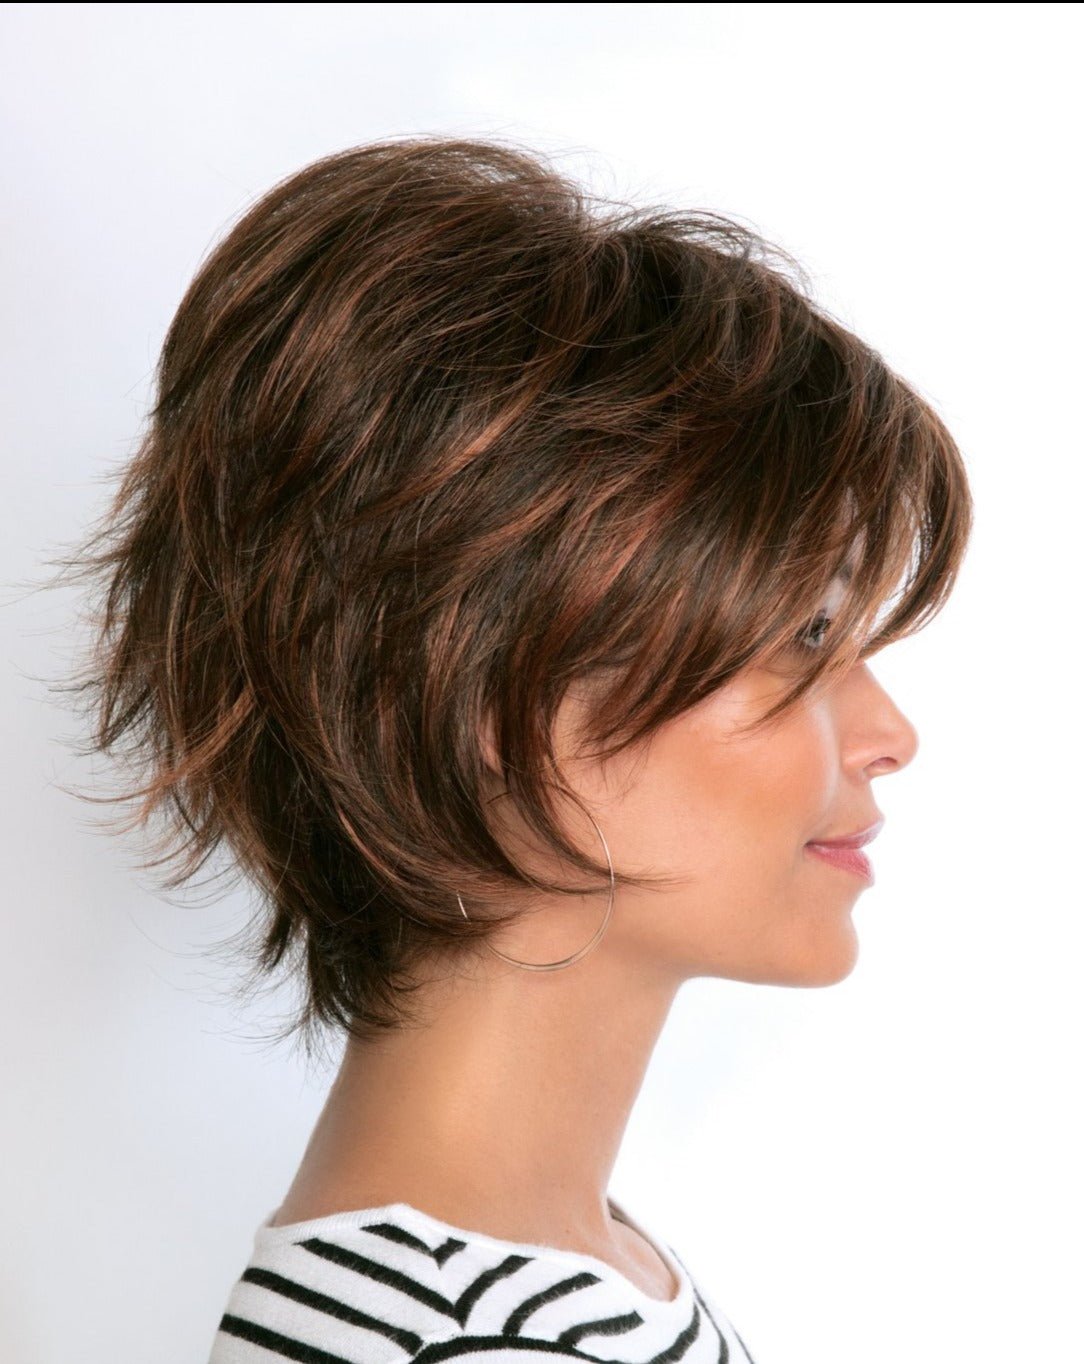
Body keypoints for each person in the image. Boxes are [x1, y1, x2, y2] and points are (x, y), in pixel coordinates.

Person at [60, 135, 973, 1363]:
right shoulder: (465, 1339)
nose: (888, 734)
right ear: (492, 688)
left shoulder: (560, 1276)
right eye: (804, 632)